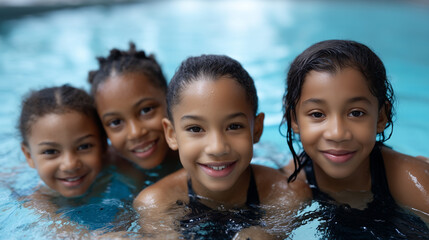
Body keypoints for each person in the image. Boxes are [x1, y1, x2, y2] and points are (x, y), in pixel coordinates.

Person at [134, 54, 311, 239]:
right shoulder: (156, 203)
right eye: (195, 128)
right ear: (171, 135)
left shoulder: (287, 195)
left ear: (256, 129)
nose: (217, 148)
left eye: (234, 126)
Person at [282, 39, 429, 238]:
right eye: (317, 114)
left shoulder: (409, 179)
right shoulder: (291, 181)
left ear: (381, 117)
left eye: (356, 113)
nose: (337, 133)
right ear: (294, 120)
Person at [87, 42, 181, 186]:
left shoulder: (198, 147)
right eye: (116, 122)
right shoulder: (107, 164)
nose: (135, 133)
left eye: (146, 110)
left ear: (170, 99)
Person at [19, 84, 106, 198]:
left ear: (104, 144)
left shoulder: (121, 165)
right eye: (50, 152)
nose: (70, 165)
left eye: (84, 146)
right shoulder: (38, 201)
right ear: (29, 156)